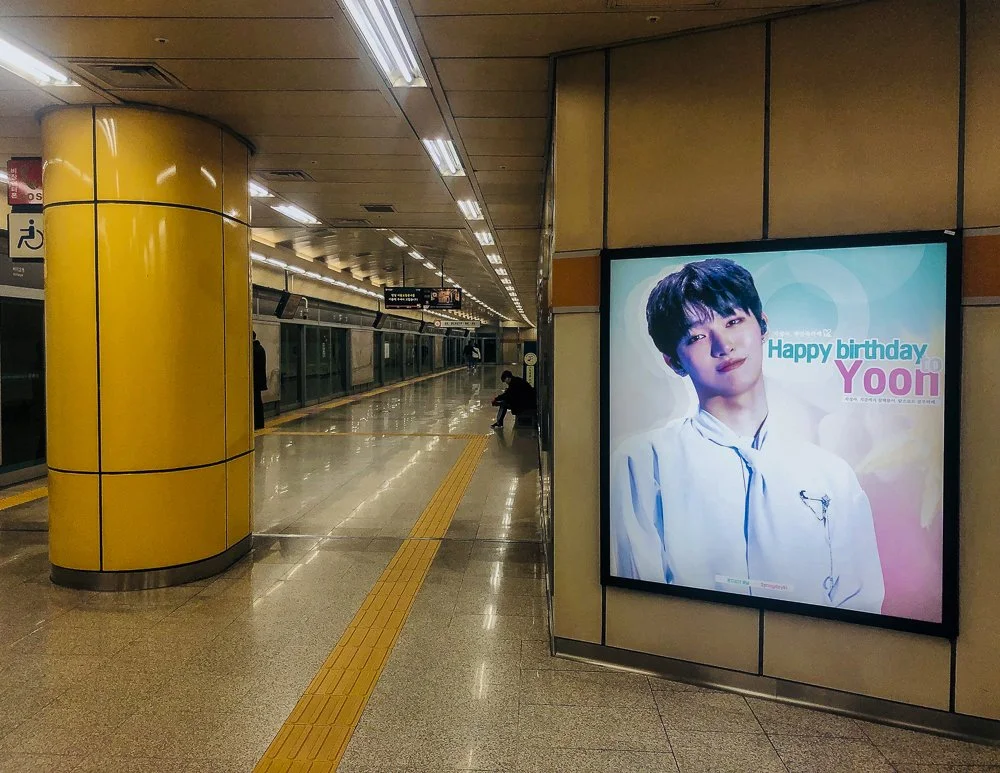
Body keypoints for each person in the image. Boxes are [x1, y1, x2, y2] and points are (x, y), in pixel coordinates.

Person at [610, 258, 884, 613]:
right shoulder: (643, 462)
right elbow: (639, 603)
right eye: (695, 336)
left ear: (763, 325)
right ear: (673, 361)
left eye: (734, 321)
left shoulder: (831, 474)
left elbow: (860, 604)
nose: (723, 344)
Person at [252, 331, 267, 430]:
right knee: (257, 401)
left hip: (255, 381)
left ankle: (257, 423)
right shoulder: (260, 348)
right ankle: (259, 423)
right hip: (259, 380)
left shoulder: (254, 350)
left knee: (256, 402)